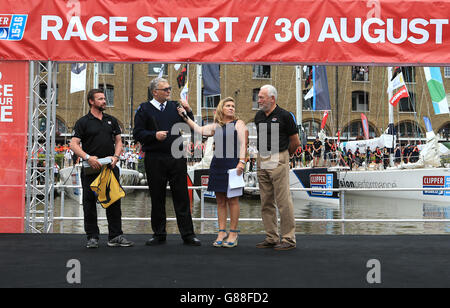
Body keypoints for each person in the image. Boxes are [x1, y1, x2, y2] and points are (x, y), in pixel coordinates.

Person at [133, 77, 201, 246]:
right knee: (157, 196)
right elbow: (138, 133)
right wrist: (153, 136)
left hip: (176, 156)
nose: (169, 91)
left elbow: (189, 123)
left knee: (182, 196)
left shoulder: (175, 106)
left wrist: (189, 110)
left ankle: (188, 234)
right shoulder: (144, 109)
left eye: (169, 88)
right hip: (154, 158)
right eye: (166, 89)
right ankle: (159, 234)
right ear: (155, 92)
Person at [178, 97, 248, 248]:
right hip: (217, 165)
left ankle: (234, 233)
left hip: (233, 165)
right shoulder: (216, 126)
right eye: (228, 105)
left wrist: (242, 162)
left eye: (233, 106)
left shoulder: (239, 123)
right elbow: (198, 129)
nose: (231, 108)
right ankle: (221, 232)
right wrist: (185, 116)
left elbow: (243, 144)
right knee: (220, 201)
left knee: (233, 200)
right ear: (221, 109)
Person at [70, 89, 133, 249]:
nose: (104, 101)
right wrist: (87, 158)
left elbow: (119, 141)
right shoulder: (83, 122)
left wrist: (116, 156)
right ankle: (92, 237)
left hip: (110, 167)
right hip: (91, 168)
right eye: (100, 99)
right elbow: (73, 144)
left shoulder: (112, 120)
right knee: (89, 203)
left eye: (104, 98)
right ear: (91, 101)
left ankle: (115, 236)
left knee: (114, 202)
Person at [254, 85, 301, 251]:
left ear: (272, 98)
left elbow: (295, 142)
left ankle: (288, 238)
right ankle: (271, 237)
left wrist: (283, 156)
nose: (258, 100)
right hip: (262, 158)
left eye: (261, 97)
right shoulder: (258, 116)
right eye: (258, 97)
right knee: (266, 200)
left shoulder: (285, 116)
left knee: (283, 200)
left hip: (279, 157)